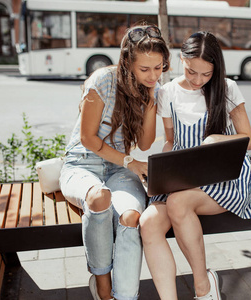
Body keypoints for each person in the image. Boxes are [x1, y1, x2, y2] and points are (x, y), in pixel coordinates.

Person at [139, 31, 251, 300]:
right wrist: (164, 170)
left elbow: (249, 140)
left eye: (206, 74)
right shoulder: (168, 92)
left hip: (225, 177)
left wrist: (213, 139)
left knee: (177, 203)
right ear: (180, 60)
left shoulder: (228, 87)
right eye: (191, 71)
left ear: (215, 69)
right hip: (183, 179)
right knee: (148, 222)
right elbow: (171, 141)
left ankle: (203, 288)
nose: (198, 80)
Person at [59, 25, 170, 300]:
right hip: (83, 163)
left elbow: (145, 144)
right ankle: (104, 288)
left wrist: (152, 101)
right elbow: (87, 138)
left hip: (120, 168)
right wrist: (129, 162)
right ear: (127, 62)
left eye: (158, 68)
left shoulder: (151, 88)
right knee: (99, 198)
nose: (153, 75)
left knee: (132, 218)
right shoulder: (102, 81)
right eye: (145, 69)